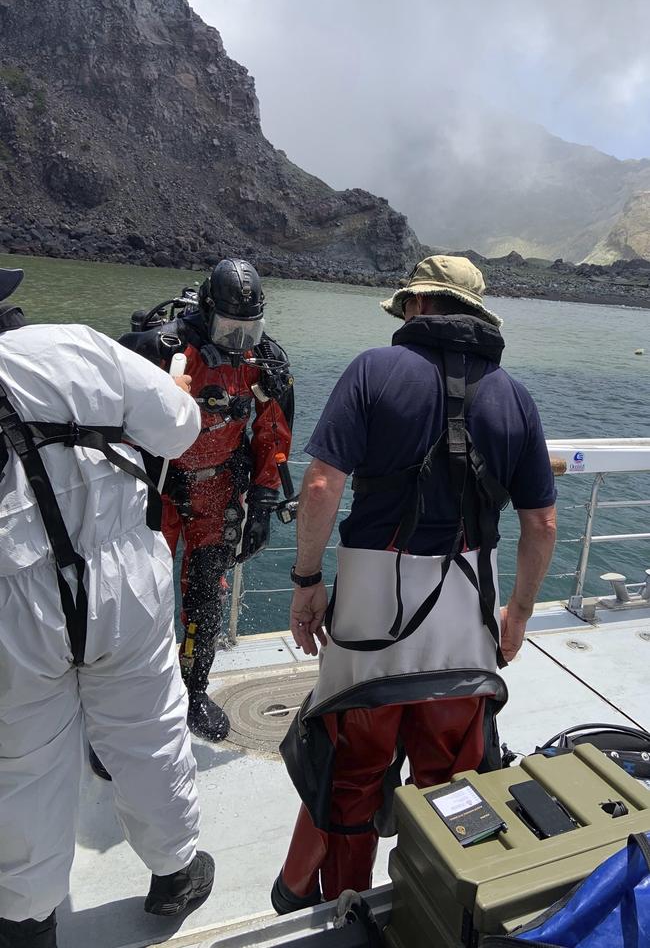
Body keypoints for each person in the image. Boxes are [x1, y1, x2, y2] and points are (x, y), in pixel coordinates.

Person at [273, 255, 557, 912]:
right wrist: (517, 613)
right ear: (473, 315)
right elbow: (540, 522)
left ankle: (346, 905)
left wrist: (307, 580)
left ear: (420, 306)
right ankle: (440, 905)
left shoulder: (373, 370)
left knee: (353, 773)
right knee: (454, 777)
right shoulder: (513, 395)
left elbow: (321, 486)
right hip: (464, 623)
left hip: (371, 619)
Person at [0, 268, 214, 948]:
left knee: (23, 762)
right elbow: (180, 432)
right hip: (125, 578)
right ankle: (175, 873)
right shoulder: (80, 346)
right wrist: (173, 389)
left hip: (13, 598)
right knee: (148, 730)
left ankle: (28, 922)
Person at [119, 258, 294, 742]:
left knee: (204, 601)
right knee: (136, 600)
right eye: (229, 329)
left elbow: (271, 434)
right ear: (206, 311)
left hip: (216, 494)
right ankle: (127, 706)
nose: (239, 340)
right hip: (155, 494)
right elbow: (113, 424)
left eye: (249, 329)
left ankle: (194, 690)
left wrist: (261, 504)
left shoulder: (266, 362)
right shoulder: (161, 349)